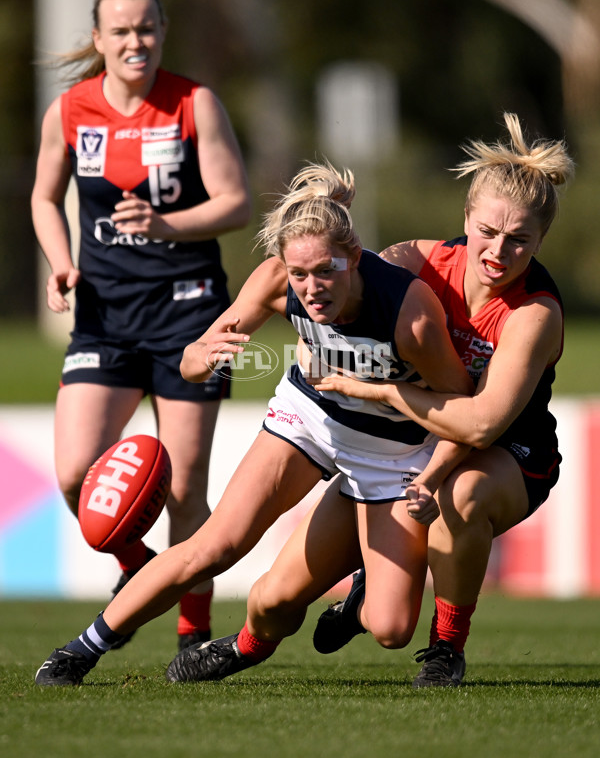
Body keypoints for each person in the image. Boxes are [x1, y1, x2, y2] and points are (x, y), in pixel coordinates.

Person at [35, 159, 472, 686]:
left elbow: (462, 408)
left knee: (392, 628)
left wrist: (427, 473)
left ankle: (361, 587)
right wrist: (205, 354)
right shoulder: (273, 281)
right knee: (213, 546)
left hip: (392, 451)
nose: (313, 288)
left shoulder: (409, 313)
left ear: (354, 258)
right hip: (308, 418)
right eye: (300, 274)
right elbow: (192, 364)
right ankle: (81, 650)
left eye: (327, 270)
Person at [305, 111, 573, 687]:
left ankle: (446, 650)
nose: (500, 250)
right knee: (287, 596)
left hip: (509, 452)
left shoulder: (535, 313)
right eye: (489, 231)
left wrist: (379, 389)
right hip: (418, 443)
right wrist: (327, 220)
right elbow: (342, 282)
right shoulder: (419, 261)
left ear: (541, 241)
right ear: (466, 218)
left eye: (520, 239)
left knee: (465, 494)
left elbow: (479, 428)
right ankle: (250, 640)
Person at [31, 0, 251, 650]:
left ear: (162, 33)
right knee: (74, 472)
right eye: (122, 31)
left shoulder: (193, 103)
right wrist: (59, 261)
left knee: (185, 488)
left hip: (189, 314)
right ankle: (135, 564)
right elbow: (44, 198)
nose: (136, 42)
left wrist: (166, 226)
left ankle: (194, 631)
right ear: (98, 39)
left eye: (147, 28)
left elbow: (235, 203)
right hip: (104, 316)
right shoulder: (70, 110)